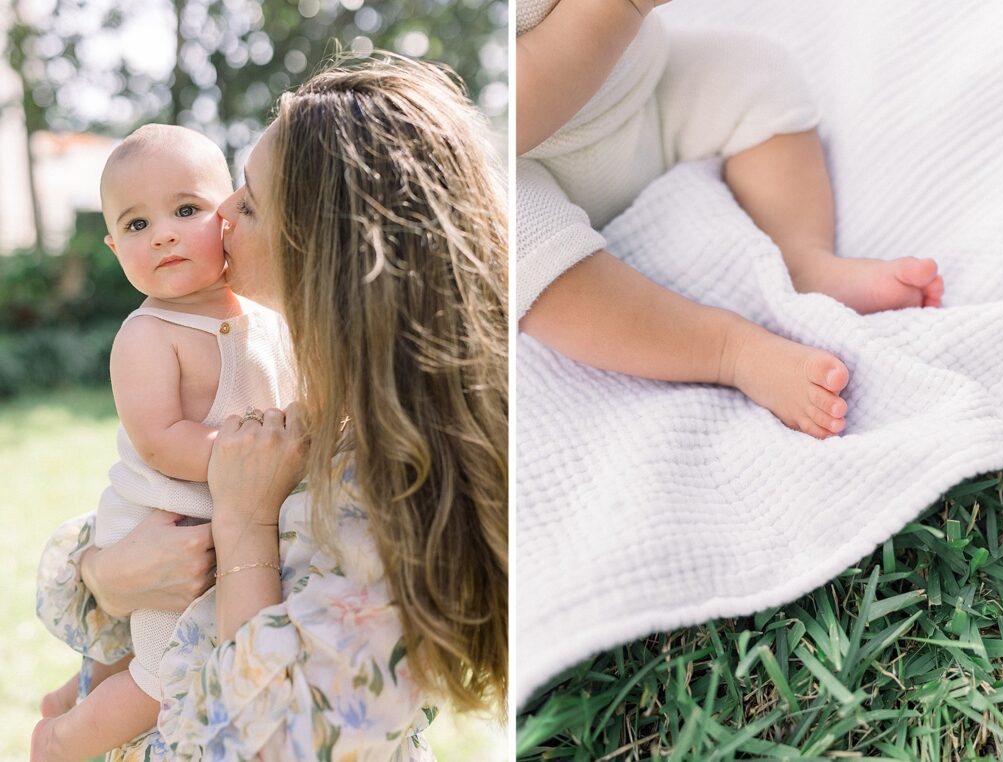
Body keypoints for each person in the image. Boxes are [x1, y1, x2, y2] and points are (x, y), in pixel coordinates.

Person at [35, 53, 508, 760]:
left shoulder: (387, 498)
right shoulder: (316, 392)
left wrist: (245, 518)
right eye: (137, 223)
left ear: (325, 252)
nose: (217, 217)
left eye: (246, 202)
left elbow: (268, 740)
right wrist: (107, 574)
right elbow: (124, 529)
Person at [516, 0, 944, 439]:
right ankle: (729, 351)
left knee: (758, 68)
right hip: (534, 166)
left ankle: (804, 262)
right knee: (511, 241)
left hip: (646, 94)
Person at [33, 123, 297, 762]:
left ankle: (74, 694)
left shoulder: (264, 314)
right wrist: (261, 457)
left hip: (228, 510)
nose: (164, 233)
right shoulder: (150, 333)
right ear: (114, 248)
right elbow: (160, 441)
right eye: (135, 225)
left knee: (138, 653)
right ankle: (60, 741)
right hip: (163, 516)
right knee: (162, 672)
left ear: (230, 213)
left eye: (186, 210)